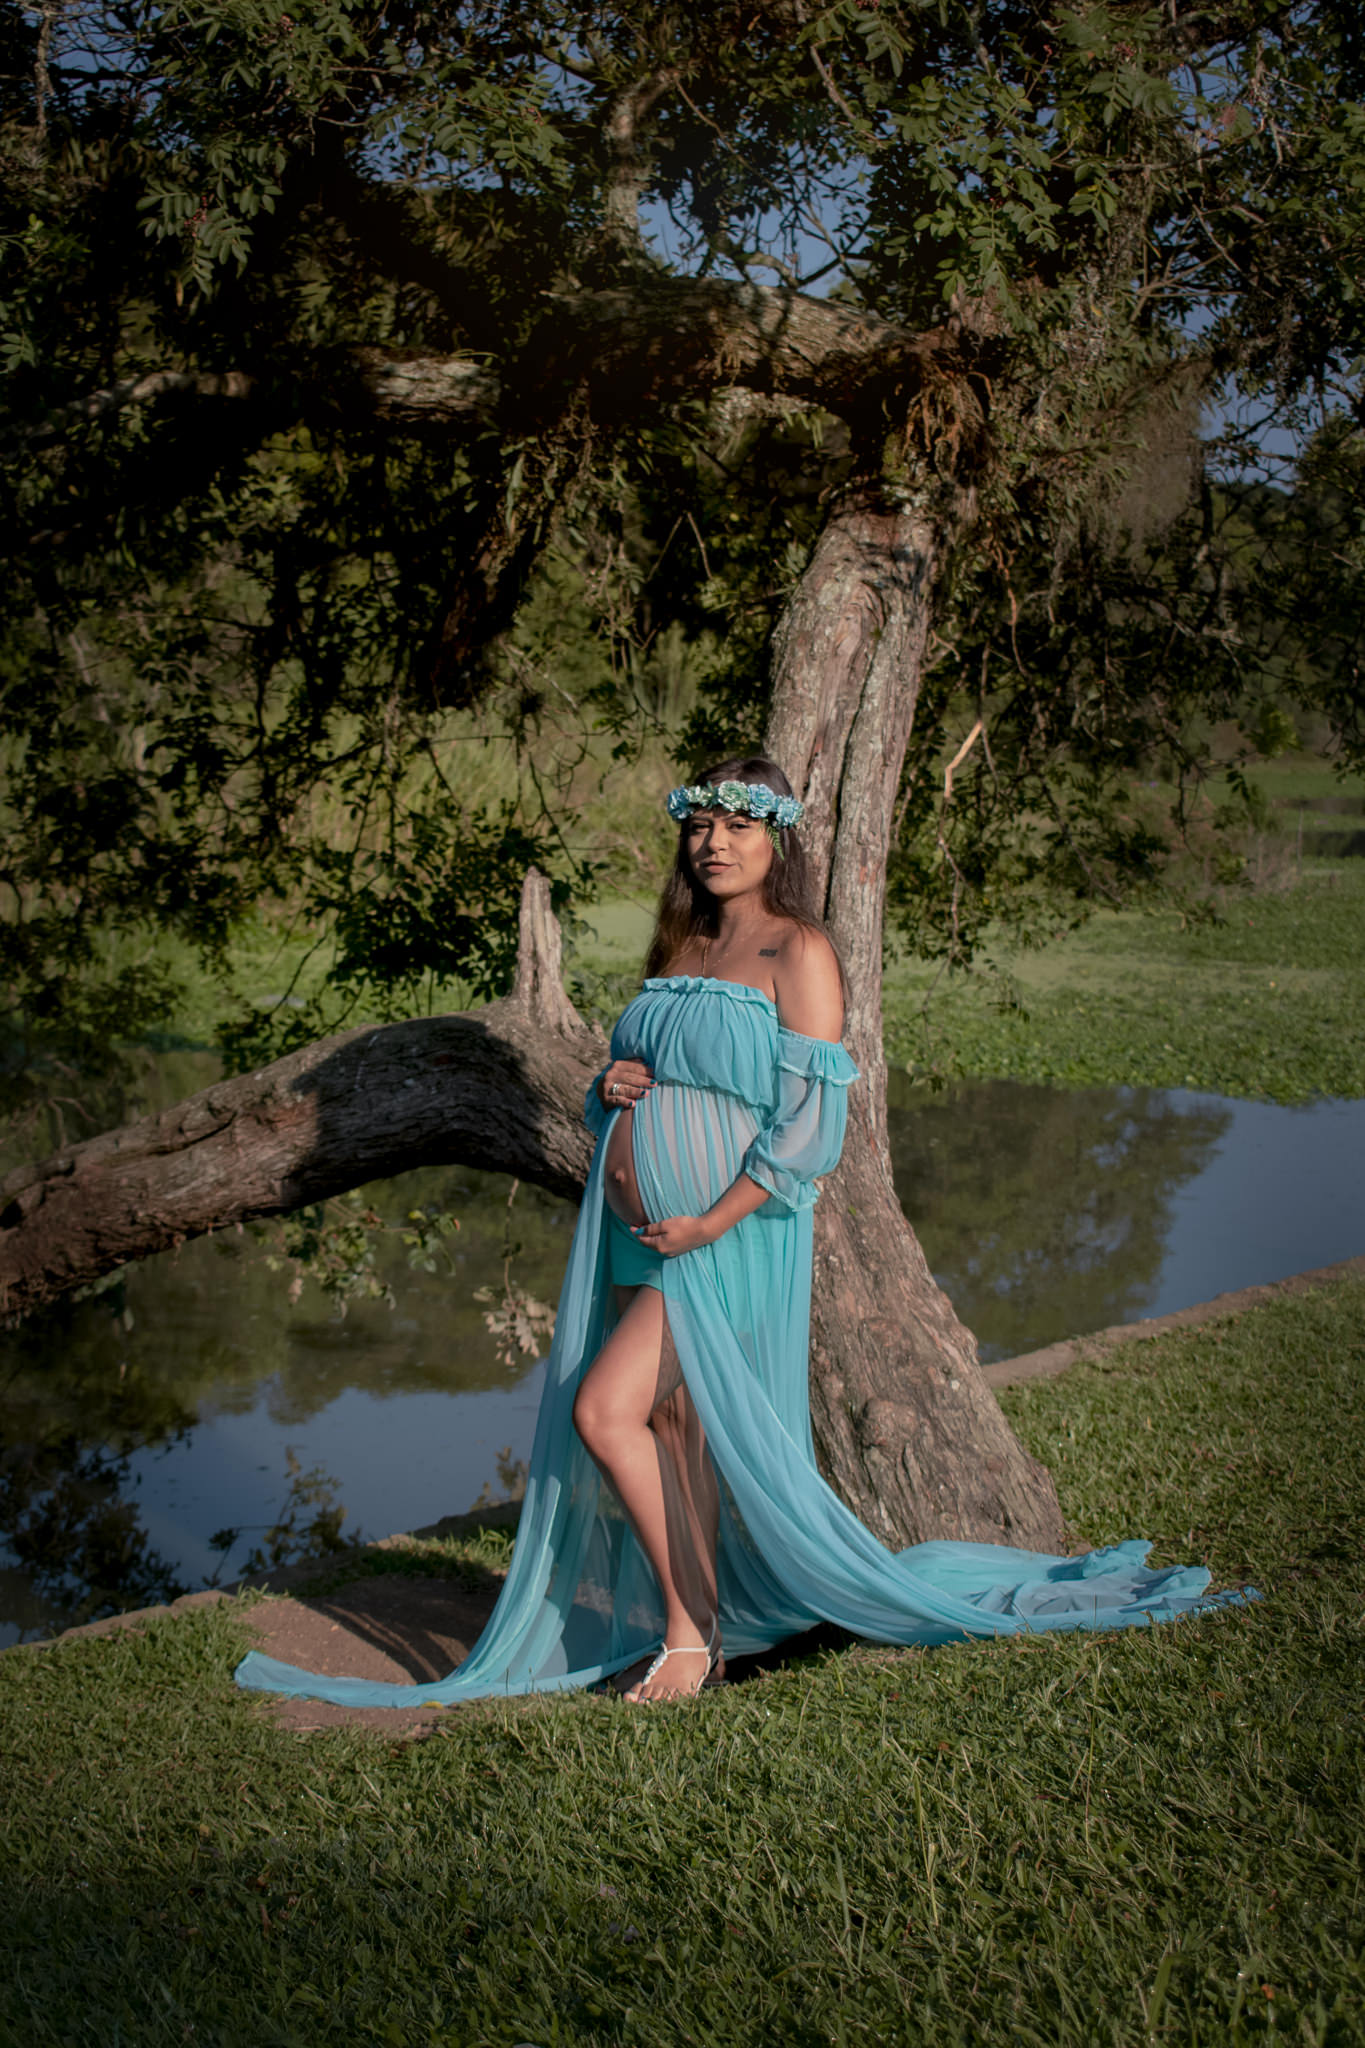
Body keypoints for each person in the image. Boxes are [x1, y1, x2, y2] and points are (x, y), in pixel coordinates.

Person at [236, 757, 1243, 1711]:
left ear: (777, 841)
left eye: (738, 826)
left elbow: (810, 1124)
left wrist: (710, 1219)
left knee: (604, 1411)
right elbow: (643, 1082)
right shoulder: (681, 948)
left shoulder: (798, 951)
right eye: (701, 826)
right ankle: (704, 1626)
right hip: (641, 1231)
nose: (715, 843)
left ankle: (686, 1639)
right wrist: (608, 1087)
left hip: (720, 1234)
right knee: (675, 1431)